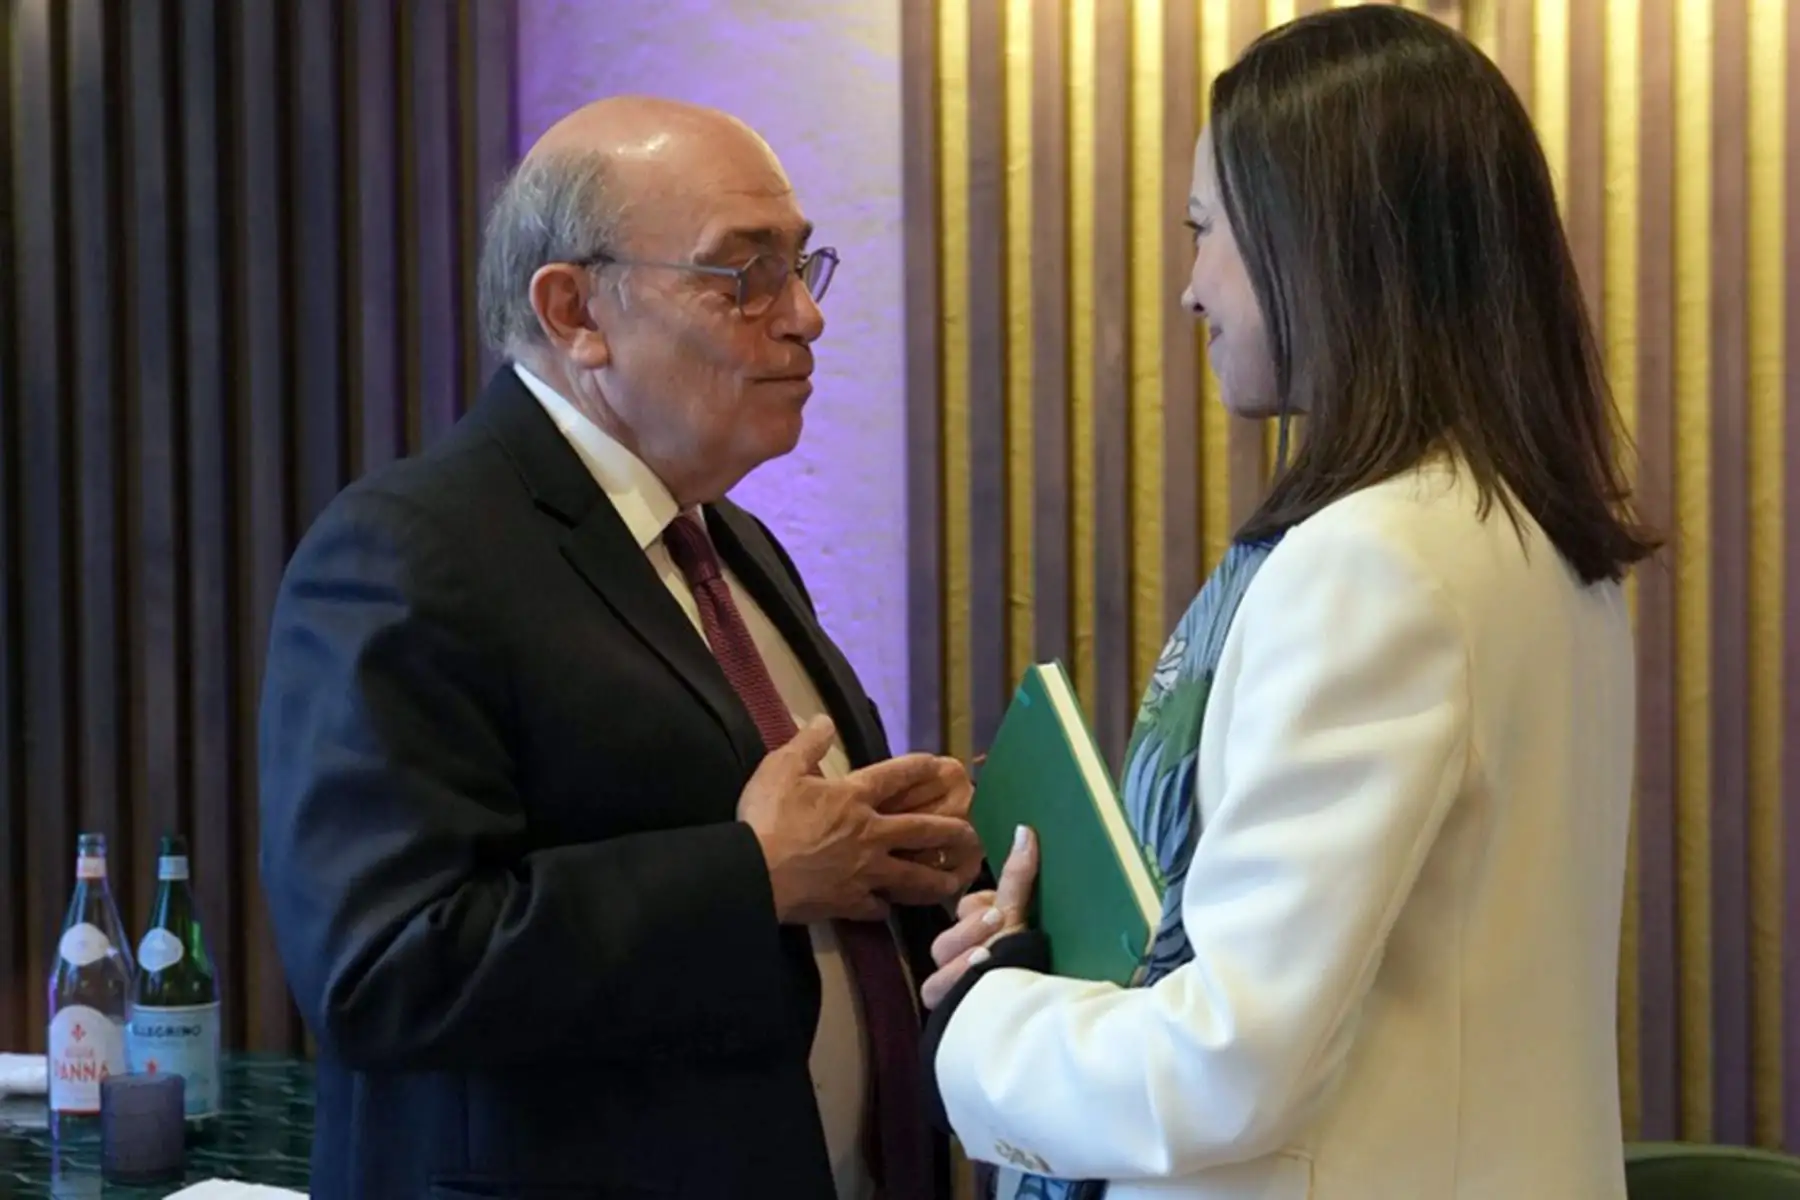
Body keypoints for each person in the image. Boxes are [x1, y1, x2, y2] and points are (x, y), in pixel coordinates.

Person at [917, 8, 1655, 1200]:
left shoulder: (1373, 562)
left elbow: (1231, 1061)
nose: (1190, 288)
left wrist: (990, 1014)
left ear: (1319, 240)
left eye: (1204, 229)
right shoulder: (1529, 533)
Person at [257, 96, 983, 1199]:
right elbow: (383, 965)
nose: (804, 316)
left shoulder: (731, 540)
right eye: (745, 274)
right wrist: (750, 876)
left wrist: (900, 851)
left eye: (799, 266)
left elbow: (800, 868)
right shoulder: (406, 550)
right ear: (575, 312)